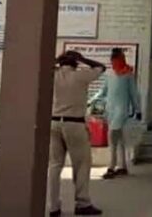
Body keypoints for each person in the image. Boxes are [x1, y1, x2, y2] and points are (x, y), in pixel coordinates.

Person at [48, 50, 105, 217]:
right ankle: (82, 203)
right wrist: (83, 59)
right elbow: (101, 67)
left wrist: (58, 60)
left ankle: (53, 207)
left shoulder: (53, 74)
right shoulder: (80, 76)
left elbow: (42, 66)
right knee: (81, 165)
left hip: (54, 122)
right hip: (75, 124)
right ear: (76, 63)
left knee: (55, 165)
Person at [89, 48, 141, 180]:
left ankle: (111, 167)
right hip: (110, 110)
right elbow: (103, 91)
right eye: (114, 59)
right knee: (120, 138)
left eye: (118, 59)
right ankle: (123, 166)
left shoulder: (128, 75)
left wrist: (138, 109)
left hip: (122, 110)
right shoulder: (110, 74)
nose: (115, 62)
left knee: (111, 136)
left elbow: (133, 93)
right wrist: (91, 100)